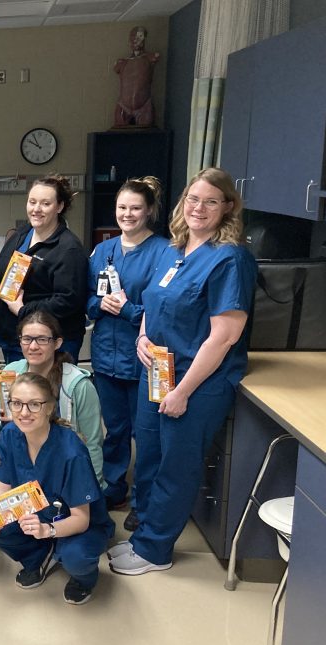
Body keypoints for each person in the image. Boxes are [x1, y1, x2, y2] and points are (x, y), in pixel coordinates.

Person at [109, 167, 257, 575]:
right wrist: (142, 337)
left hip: (196, 381)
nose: (199, 208)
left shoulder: (231, 258)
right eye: (193, 199)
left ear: (228, 206)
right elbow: (151, 301)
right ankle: (143, 536)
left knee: (176, 465)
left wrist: (183, 391)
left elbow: (224, 336)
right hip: (156, 370)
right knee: (151, 456)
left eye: (211, 201)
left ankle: (155, 550)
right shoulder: (175, 250)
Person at [0, 373, 114, 605]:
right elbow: (3, 488)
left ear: (50, 407)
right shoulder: (10, 434)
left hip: (76, 523)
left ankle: (84, 579)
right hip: (36, 515)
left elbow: (81, 519)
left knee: (75, 557)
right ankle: (37, 557)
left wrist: (47, 530)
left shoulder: (71, 452)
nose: (24, 412)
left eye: (34, 404)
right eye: (16, 403)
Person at [86, 177, 168, 527]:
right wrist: (99, 303)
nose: (128, 214)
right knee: (115, 431)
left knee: (146, 435)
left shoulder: (164, 251)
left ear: (149, 210)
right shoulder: (103, 251)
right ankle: (114, 487)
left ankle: (144, 502)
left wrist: (128, 311)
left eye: (135, 208)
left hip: (146, 359)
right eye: (122, 207)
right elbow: (87, 301)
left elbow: (162, 310)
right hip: (106, 356)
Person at [0, 311, 105, 489]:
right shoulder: (10, 374)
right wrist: (4, 421)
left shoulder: (78, 385)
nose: (33, 346)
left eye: (42, 339)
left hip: (65, 475)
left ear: (57, 343)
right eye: (27, 339)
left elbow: (92, 443)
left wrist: (92, 487)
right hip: (21, 471)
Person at [0, 175, 88, 364]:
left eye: (45, 203)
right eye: (32, 202)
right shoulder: (21, 235)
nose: (36, 209)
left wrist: (23, 310)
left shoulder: (69, 249)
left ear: (59, 207)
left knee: (47, 393)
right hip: (15, 339)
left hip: (50, 345)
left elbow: (68, 300)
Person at [113, 26, 161, 128]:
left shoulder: (151, 57)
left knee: (147, 136)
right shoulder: (122, 62)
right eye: (134, 36)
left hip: (144, 106)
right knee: (117, 135)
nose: (136, 40)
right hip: (123, 105)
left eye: (140, 36)